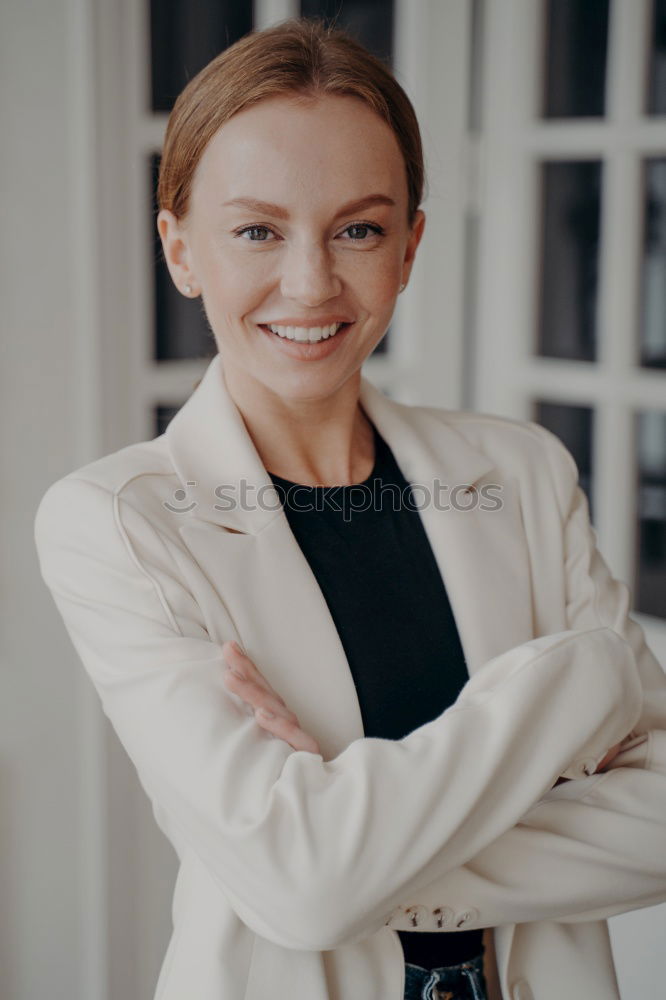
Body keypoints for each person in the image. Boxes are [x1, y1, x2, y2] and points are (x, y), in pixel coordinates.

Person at [33, 18, 666, 1000]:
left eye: (359, 228)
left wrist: (353, 845)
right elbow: (300, 885)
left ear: (409, 248)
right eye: (257, 230)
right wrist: (577, 679)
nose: (310, 281)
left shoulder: (525, 472)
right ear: (180, 248)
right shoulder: (117, 523)